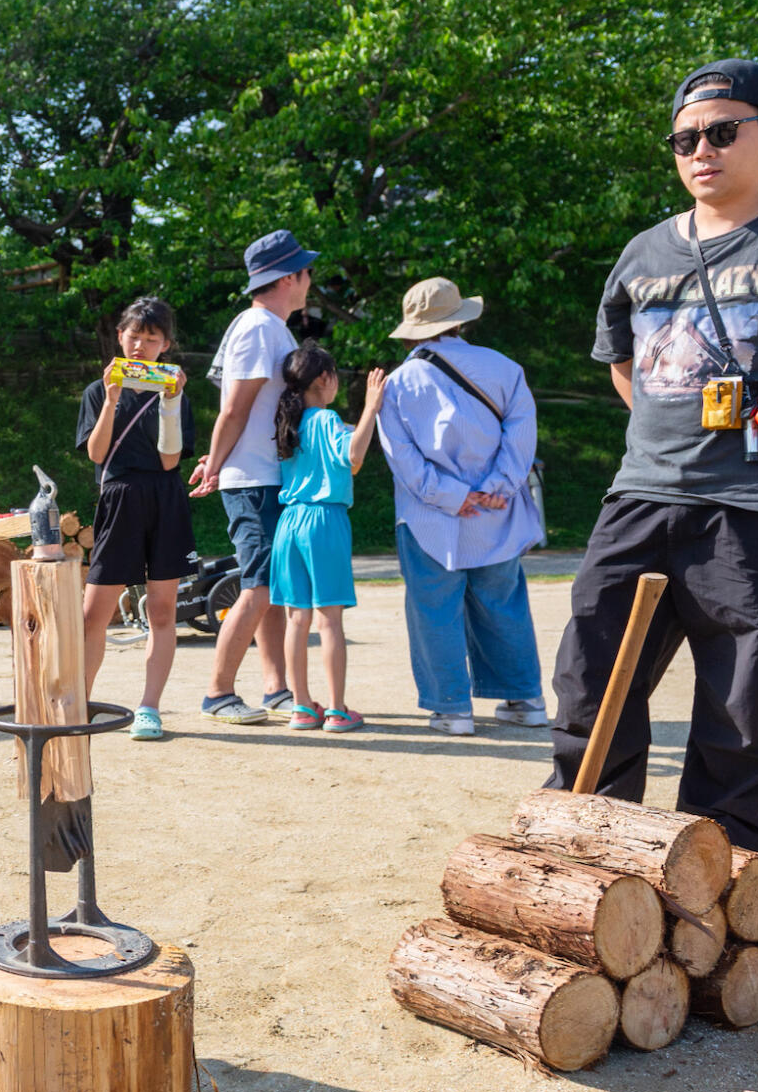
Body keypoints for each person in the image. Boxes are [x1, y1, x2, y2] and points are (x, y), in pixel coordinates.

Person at [551, 57, 758, 853]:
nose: (702, 149)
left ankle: (721, 863)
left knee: (745, 697)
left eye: (722, 132)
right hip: (641, 496)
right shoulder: (642, 253)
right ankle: (586, 843)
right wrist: (669, 439)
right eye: (685, 138)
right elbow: (622, 363)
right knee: (592, 676)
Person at [376, 277, 548, 736]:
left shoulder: (398, 383)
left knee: (434, 607)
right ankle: (525, 699)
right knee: (503, 603)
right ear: (460, 320)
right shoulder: (504, 368)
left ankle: (451, 709)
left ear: (413, 328)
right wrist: (498, 486)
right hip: (498, 511)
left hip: (428, 515)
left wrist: (451, 496)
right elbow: (521, 433)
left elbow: (403, 460)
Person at [187, 230, 319, 725]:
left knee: (273, 587)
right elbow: (237, 408)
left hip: (268, 475)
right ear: (289, 277)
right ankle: (218, 694)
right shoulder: (259, 327)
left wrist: (215, 457)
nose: (310, 280)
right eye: (306, 271)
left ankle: (276, 689)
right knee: (258, 586)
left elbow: (245, 411)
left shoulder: (271, 327)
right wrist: (217, 463)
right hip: (255, 479)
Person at [76, 296, 197, 740]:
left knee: (163, 609)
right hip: (118, 497)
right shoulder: (96, 391)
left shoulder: (175, 393)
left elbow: (170, 462)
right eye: (134, 335)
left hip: (165, 498)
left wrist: (172, 400)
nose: (141, 345)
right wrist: (110, 399)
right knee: (94, 614)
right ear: (120, 337)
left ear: (166, 344)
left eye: (152, 338)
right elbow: (96, 452)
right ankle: (79, 704)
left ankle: (149, 707)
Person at [268, 344, 388, 732]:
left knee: (296, 618)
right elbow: (353, 458)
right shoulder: (325, 419)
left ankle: (302, 707)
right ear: (325, 379)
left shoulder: (290, 422)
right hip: (324, 520)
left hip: (290, 522)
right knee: (329, 620)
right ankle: (337, 710)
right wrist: (371, 406)